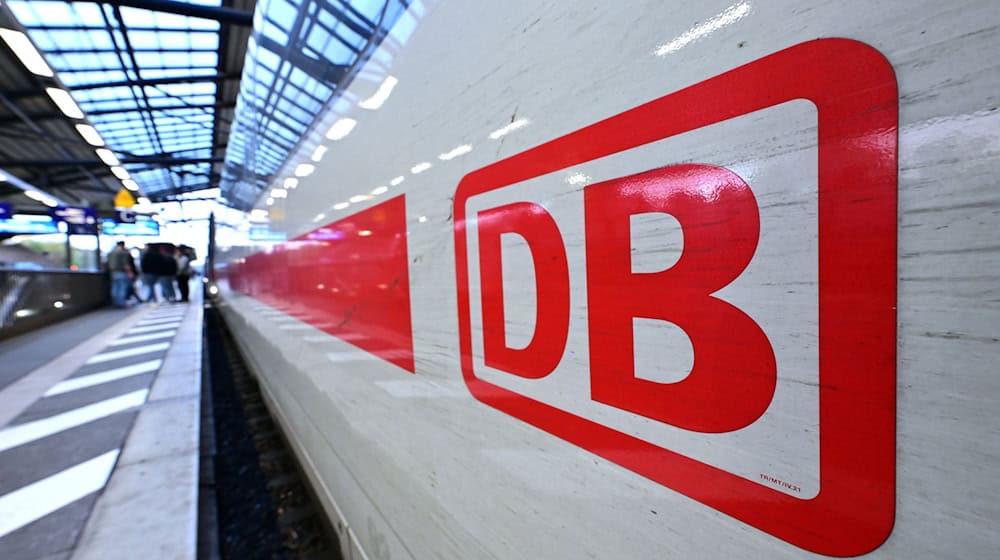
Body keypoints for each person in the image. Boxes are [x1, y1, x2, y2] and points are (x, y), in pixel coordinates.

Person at [107, 241, 134, 308]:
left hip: (113, 272)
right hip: (122, 272)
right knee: (123, 288)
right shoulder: (123, 253)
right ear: (123, 245)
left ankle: (116, 302)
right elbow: (126, 264)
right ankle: (121, 303)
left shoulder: (110, 253)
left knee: (115, 288)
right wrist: (130, 273)